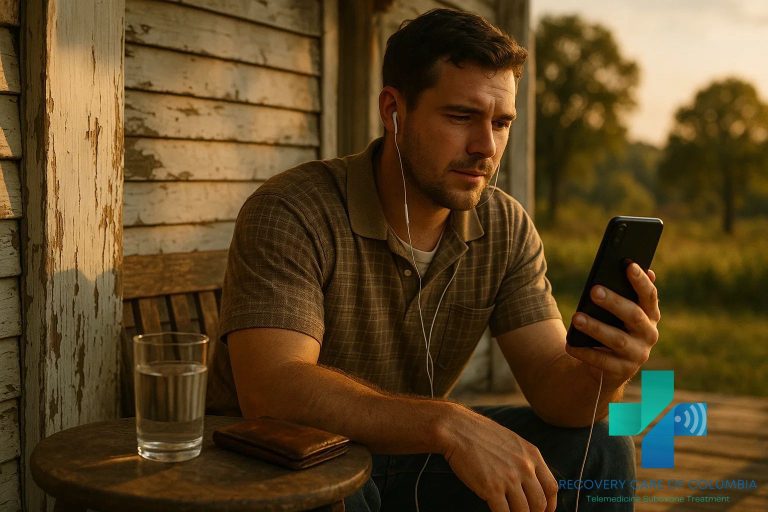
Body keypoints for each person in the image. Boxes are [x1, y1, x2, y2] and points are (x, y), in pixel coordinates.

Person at [207, 8, 660, 512]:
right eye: (461, 116)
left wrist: (609, 368)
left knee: (602, 445)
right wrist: (448, 424)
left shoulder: (504, 226)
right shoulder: (294, 209)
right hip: (271, 464)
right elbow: (272, 391)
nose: (485, 146)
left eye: (501, 122)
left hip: (409, 455)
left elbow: (557, 394)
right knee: (341, 490)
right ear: (393, 110)